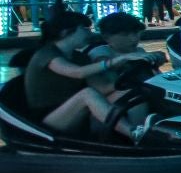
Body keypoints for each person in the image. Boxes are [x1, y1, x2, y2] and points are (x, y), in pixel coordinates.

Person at [23, 11, 159, 141]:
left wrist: (130, 80)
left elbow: (101, 88)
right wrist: (119, 59)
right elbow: (77, 72)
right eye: (85, 29)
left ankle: (142, 134)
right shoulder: (46, 54)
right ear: (66, 32)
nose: (90, 33)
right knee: (87, 94)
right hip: (49, 118)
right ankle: (133, 132)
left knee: (132, 93)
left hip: (78, 111)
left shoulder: (80, 57)